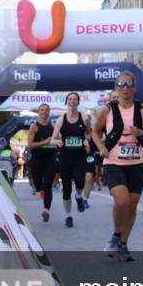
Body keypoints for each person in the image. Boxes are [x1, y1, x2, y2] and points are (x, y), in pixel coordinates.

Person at [92, 72, 143, 261]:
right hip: (113, 161)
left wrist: (142, 133)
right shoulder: (107, 110)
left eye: (129, 85)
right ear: (116, 88)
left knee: (132, 207)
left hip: (137, 162)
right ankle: (115, 235)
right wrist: (101, 147)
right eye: (121, 84)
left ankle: (123, 243)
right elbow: (95, 132)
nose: (125, 88)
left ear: (135, 88)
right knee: (122, 202)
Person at [49, 92, 90, 228]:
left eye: (75, 99)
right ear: (66, 102)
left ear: (78, 102)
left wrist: (86, 141)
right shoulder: (61, 120)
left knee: (79, 181)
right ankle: (68, 216)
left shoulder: (84, 118)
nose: (72, 101)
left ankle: (78, 196)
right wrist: (58, 142)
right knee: (66, 189)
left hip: (79, 155)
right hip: (65, 156)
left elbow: (89, 134)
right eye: (70, 99)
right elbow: (52, 139)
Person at [27, 104, 58, 222]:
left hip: (51, 159)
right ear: (38, 112)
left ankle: (46, 210)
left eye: (46, 110)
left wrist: (58, 142)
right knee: (38, 185)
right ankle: (40, 190)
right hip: (37, 160)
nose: (44, 112)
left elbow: (58, 139)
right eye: (42, 110)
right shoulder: (34, 127)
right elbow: (30, 144)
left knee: (48, 185)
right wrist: (44, 142)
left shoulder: (53, 127)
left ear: (49, 112)